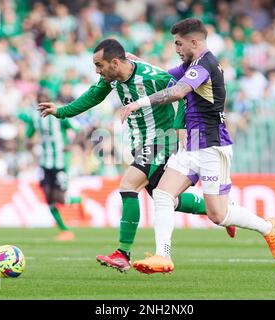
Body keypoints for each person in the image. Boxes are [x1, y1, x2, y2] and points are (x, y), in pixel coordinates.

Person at [38, 38, 236, 272]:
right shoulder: (110, 80)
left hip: (161, 140)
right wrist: (61, 111)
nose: (97, 71)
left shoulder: (153, 76)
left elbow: (185, 93)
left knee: (128, 185)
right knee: (163, 197)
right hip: (140, 143)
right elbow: (92, 96)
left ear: (114, 62)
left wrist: (179, 127)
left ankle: (123, 253)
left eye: (99, 66)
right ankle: (225, 212)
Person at [121, 18, 275, 274]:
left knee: (218, 215)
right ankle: (162, 256)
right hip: (192, 144)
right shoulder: (191, 64)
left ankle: (267, 227)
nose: (176, 48)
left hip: (212, 146)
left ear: (194, 42)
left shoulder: (206, 64)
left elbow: (177, 92)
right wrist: (138, 64)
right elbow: (166, 76)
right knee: (163, 194)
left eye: (178, 43)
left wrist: (137, 104)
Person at [20, 88, 82, 241]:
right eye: (40, 99)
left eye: (45, 98)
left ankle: (80, 200)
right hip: (44, 162)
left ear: (51, 99)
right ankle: (65, 230)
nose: (42, 101)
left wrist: (71, 144)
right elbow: (28, 136)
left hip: (60, 162)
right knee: (48, 197)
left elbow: (79, 130)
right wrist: (28, 143)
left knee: (60, 198)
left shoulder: (59, 114)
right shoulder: (35, 117)